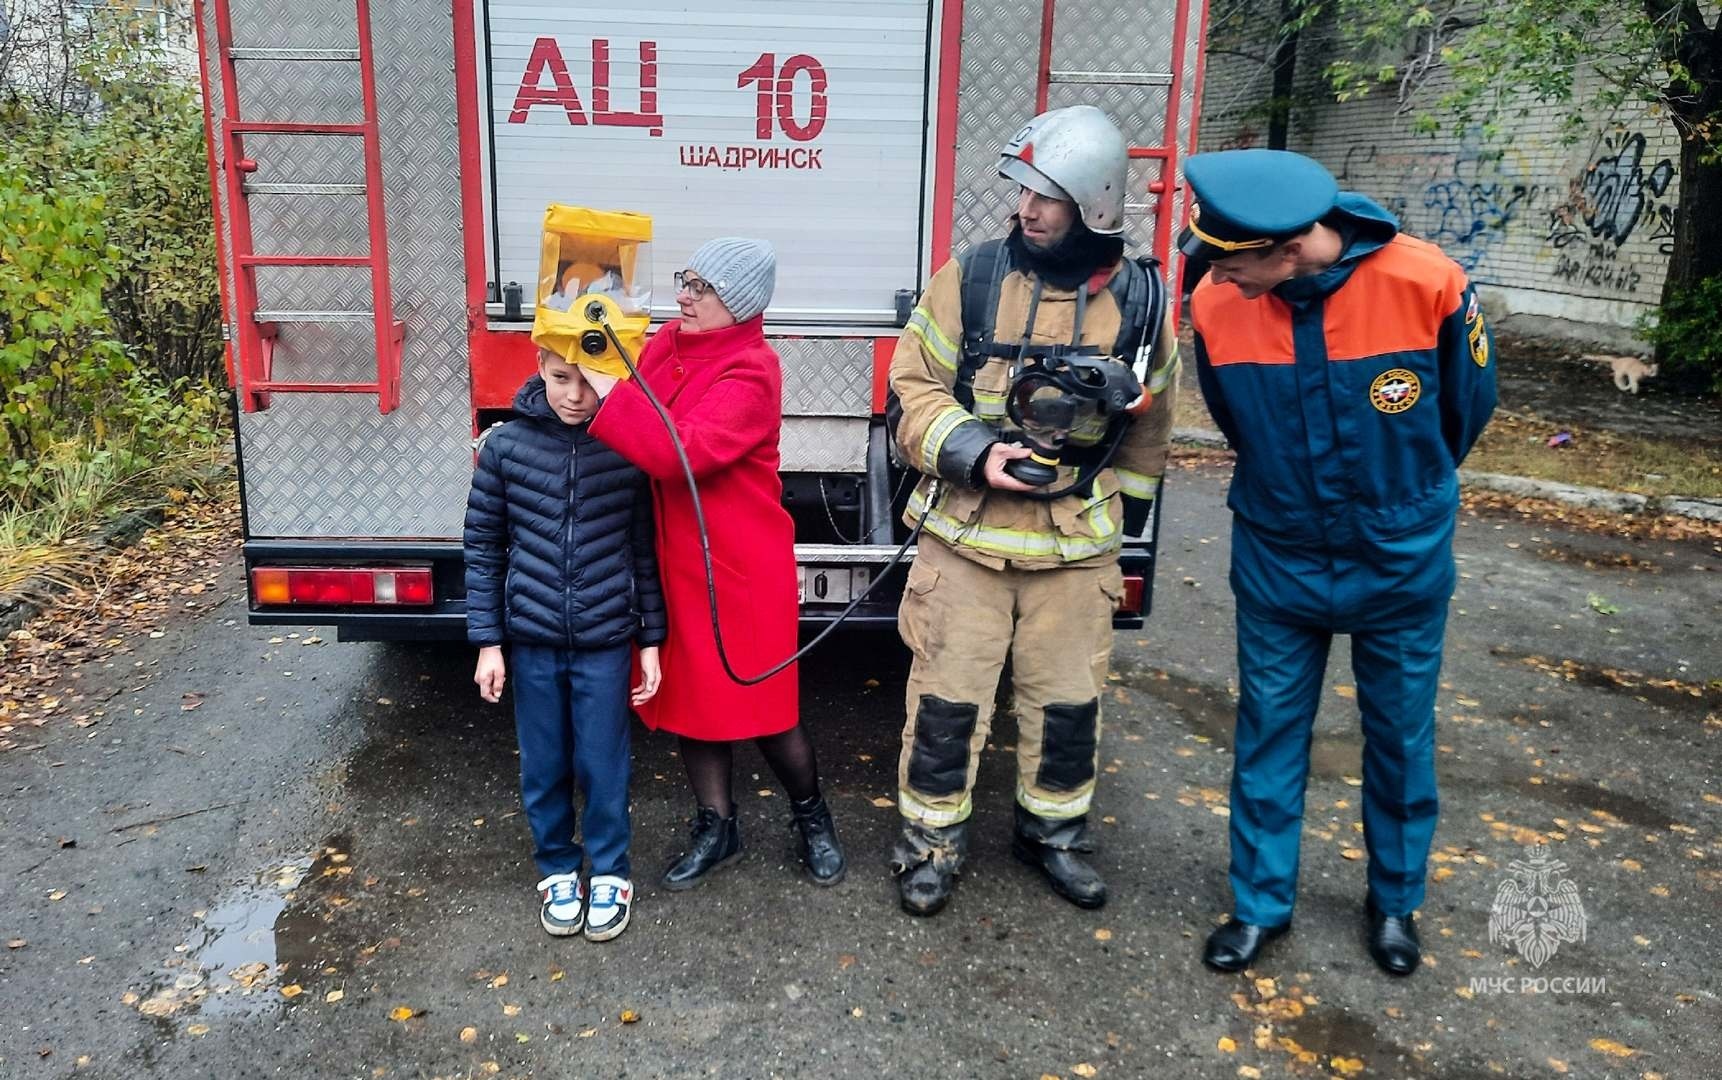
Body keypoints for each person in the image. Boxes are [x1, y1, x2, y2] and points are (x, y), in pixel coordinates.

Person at [1182, 149, 1497, 976]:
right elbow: (1233, 417)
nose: (1222, 278)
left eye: (1236, 262)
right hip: (1280, 554)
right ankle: (1258, 905)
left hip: (1399, 559)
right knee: (1269, 732)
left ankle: (1394, 904)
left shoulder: (1427, 282)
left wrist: (1399, 497)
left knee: (1399, 737)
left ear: (1288, 248)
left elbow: (1466, 412)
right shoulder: (1218, 303)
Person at [885, 105, 1180, 916]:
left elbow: (1151, 428)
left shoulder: (1144, 304)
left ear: (1094, 203)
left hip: (1077, 555)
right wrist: (975, 452)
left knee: (1068, 708)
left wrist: (1127, 531)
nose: (1027, 209)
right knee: (945, 709)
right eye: (1024, 192)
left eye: (1048, 196)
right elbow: (909, 389)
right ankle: (930, 844)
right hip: (965, 547)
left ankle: (1053, 836)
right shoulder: (971, 279)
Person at [581, 237, 847, 889]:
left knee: (767, 709)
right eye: (687, 282)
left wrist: (608, 393)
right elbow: (637, 402)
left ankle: (812, 817)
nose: (684, 297)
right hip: (677, 558)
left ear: (740, 303)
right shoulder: (669, 342)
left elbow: (681, 452)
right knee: (694, 700)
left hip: (743, 568)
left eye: (701, 288)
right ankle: (717, 825)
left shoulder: (754, 370)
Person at [464, 347, 667, 942]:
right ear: (538, 366)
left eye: (588, 383)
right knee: (545, 763)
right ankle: (556, 866)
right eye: (560, 379)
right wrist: (488, 642)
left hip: (605, 640)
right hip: (531, 640)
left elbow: (643, 552)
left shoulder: (627, 451)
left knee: (604, 763)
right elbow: (482, 547)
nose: (575, 396)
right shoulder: (505, 448)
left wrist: (650, 639)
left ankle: (609, 871)